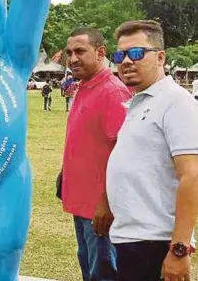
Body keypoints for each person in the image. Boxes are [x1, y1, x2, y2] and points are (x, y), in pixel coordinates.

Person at [106, 20, 198, 281]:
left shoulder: (176, 103)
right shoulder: (139, 102)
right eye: (120, 55)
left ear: (160, 57)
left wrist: (179, 250)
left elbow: (192, 176)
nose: (126, 61)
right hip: (131, 239)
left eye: (136, 53)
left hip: (155, 243)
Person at [61, 27, 132, 281]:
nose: (72, 58)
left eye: (80, 51)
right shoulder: (84, 86)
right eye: (69, 52)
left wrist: (106, 202)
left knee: (103, 274)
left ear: (100, 52)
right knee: (90, 269)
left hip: (100, 209)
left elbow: (123, 153)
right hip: (81, 204)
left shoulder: (113, 92)